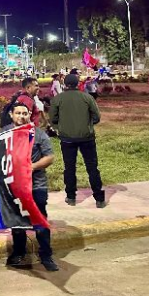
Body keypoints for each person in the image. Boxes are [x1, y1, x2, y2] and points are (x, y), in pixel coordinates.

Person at [4, 102, 58, 272]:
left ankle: (46, 255)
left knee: (40, 221)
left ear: (29, 115)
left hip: (36, 186)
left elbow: (49, 157)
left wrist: (31, 167)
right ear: (11, 115)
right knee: (18, 222)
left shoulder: (39, 134)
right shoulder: (4, 134)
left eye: (25, 113)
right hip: (14, 187)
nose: (21, 116)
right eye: (18, 113)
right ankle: (19, 253)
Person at [51, 73, 105, 208]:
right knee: (92, 168)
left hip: (67, 139)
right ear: (77, 83)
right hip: (87, 138)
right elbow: (97, 117)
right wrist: (87, 124)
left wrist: (61, 128)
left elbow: (53, 119)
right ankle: (99, 199)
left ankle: (71, 197)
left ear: (65, 84)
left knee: (69, 168)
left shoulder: (58, 99)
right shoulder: (87, 97)